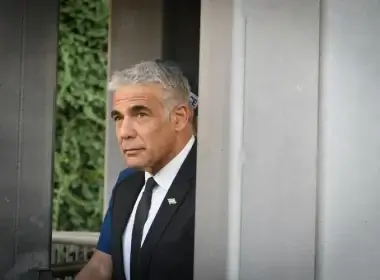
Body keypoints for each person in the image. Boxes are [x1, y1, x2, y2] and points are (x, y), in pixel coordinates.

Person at [76, 60, 197, 280]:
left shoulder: (212, 184)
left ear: (179, 118)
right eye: (118, 118)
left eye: (140, 114)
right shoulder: (127, 183)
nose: (124, 132)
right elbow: (101, 266)